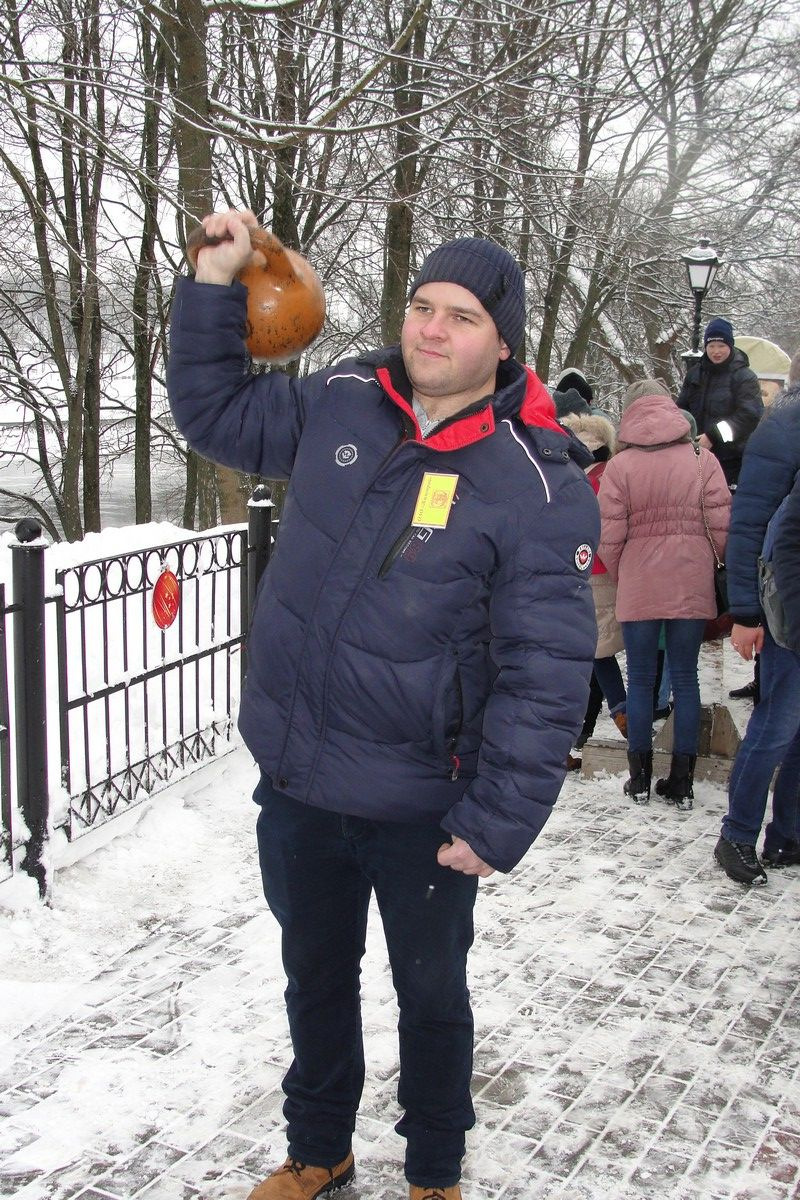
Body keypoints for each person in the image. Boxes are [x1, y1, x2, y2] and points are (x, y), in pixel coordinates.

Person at [167, 210, 599, 1200]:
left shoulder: (534, 483)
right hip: (302, 780)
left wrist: (496, 821)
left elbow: (544, 672)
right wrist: (212, 285)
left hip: (425, 806)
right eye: (421, 306)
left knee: (431, 996)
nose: (431, 329)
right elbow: (216, 412)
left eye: (460, 316)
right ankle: (319, 1148)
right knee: (314, 977)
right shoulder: (345, 400)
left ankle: (435, 1169)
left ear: (503, 343)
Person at [597, 379, 731, 807]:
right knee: (686, 679)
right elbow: (722, 527)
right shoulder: (702, 459)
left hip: (638, 580)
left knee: (639, 680)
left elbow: (608, 537)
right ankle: (682, 783)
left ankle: (639, 780)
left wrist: (625, 573)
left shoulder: (620, 466)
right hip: (691, 579)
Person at [715, 349, 800, 885]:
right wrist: (745, 611)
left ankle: (787, 833)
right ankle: (738, 834)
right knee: (776, 724)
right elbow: (749, 523)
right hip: (786, 604)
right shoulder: (785, 425)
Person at [559, 409, 627, 761]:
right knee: (597, 653)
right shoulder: (610, 475)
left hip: (578, 571)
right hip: (606, 572)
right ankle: (594, 724)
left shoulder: (569, 476)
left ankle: (620, 713)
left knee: (592, 654)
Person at [677, 317, 763, 489]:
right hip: (694, 455)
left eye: (721, 346)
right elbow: (681, 409)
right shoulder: (694, 374)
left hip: (731, 460)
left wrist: (713, 436)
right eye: (711, 346)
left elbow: (748, 416)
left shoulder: (744, 377)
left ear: (730, 346)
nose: (716, 351)